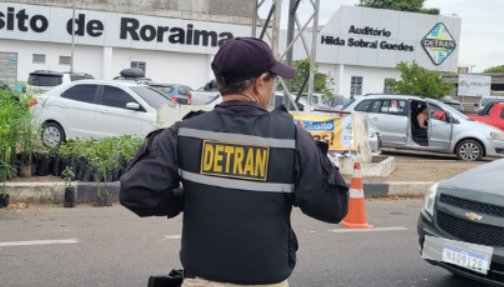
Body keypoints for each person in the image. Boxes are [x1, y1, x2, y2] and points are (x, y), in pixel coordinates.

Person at [119, 37, 350, 287]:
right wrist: (307, 160)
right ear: (261, 83)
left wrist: (183, 199)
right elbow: (333, 207)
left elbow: (136, 191)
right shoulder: (292, 138)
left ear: (220, 82)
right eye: (272, 80)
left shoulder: (184, 132)